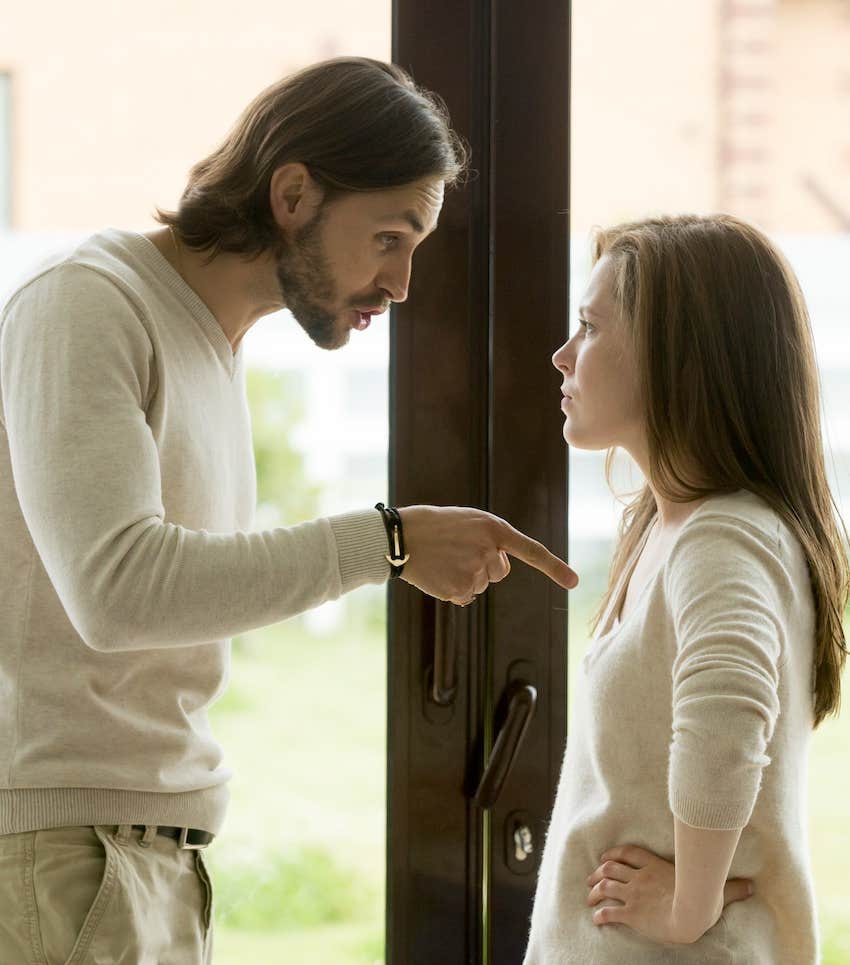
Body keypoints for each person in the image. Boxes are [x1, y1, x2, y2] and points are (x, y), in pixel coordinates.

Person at [0, 57, 577, 963]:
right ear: (295, 193)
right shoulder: (86, 301)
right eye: (390, 237)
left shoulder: (211, 347)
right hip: (62, 852)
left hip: (146, 852)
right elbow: (115, 591)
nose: (403, 283)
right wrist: (389, 541)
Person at [524, 214, 848, 965]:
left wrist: (689, 904)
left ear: (680, 362)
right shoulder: (670, 526)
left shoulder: (722, 538)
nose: (562, 354)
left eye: (590, 328)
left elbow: (724, 721)